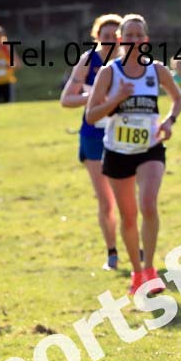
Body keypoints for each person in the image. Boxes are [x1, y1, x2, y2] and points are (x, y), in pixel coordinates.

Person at [86, 14, 181, 295]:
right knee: (129, 218)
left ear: (145, 40)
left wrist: (168, 121)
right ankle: (137, 272)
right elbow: (91, 115)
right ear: (120, 40)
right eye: (128, 35)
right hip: (117, 152)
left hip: (150, 149)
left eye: (138, 35)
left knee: (149, 204)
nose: (133, 40)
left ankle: (150, 269)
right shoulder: (109, 72)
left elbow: (178, 99)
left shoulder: (157, 71)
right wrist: (117, 98)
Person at [60, 14, 123, 270]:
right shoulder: (88, 61)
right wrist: (97, 97)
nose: (109, 42)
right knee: (106, 200)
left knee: (127, 198)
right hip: (93, 137)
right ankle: (112, 253)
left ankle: (136, 247)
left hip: (122, 135)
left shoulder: (127, 62)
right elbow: (66, 99)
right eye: (104, 37)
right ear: (96, 37)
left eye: (114, 37)